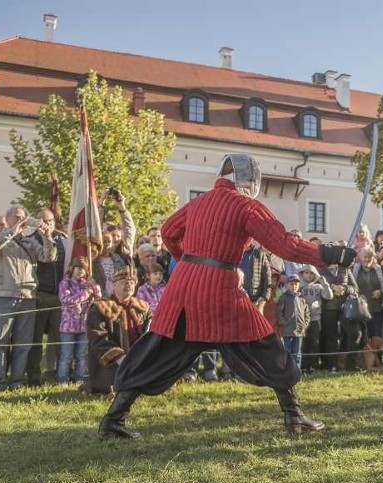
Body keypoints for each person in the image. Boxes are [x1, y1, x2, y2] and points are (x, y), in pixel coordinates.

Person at [97, 153, 355, 439]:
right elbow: (284, 244)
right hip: (219, 288)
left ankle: (113, 418)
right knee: (266, 347)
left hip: (184, 286)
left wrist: (190, 261)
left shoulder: (198, 203)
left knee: (157, 351)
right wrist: (328, 254)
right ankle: (293, 415)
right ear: (249, 178)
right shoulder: (246, 206)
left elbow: (169, 233)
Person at [0, 205, 57, 391]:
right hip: (3, 296)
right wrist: (12, 230)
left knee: (23, 343)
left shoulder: (30, 242)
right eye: (17, 217)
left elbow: (49, 257)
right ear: (7, 219)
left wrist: (47, 236)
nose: (22, 219)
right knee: (0, 342)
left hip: (28, 297)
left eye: (24, 216)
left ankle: (17, 381)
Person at [85, 265, 151, 395]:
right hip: (113, 364)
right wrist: (121, 358)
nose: (129, 285)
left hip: (140, 359)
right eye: (124, 282)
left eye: (132, 282)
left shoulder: (143, 308)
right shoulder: (100, 308)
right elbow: (98, 338)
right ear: (114, 285)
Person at [27, 207, 67, 386]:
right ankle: (33, 375)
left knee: (58, 338)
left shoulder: (63, 241)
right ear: (37, 222)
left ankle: (58, 373)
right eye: (43, 221)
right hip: (38, 295)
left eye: (50, 221)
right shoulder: (29, 241)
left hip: (59, 296)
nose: (47, 224)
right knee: (35, 339)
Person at [57, 256, 101, 385]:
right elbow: (66, 299)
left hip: (83, 325)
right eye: (78, 268)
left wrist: (95, 286)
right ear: (72, 268)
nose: (80, 271)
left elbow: (99, 299)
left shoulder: (88, 284)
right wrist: (85, 294)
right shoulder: (65, 283)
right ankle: (62, 378)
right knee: (66, 355)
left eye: (83, 269)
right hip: (68, 326)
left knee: (81, 355)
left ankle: (80, 378)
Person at [298, 264, 333, 372]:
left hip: (315, 318)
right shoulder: (298, 286)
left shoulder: (318, 287)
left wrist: (324, 283)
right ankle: (302, 365)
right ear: (302, 274)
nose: (308, 275)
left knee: (313, 342)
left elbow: (329, 296)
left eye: (311, 273)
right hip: (302, 319)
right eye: (306, 273)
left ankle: (311, 365)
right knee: (303, 343)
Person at [276, 274, 310, 368]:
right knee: (288, 352)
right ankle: (288, 371)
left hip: (299, 330)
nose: (294, 286)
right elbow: (279, 312)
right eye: (291, 284)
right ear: (287, 285)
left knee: (297, 353)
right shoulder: (283, 297)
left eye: (296, 284)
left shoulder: (301, 299)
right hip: (288, 331)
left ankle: (297, 371)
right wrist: (284, 322)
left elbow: (306, 313)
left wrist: (305, 324)